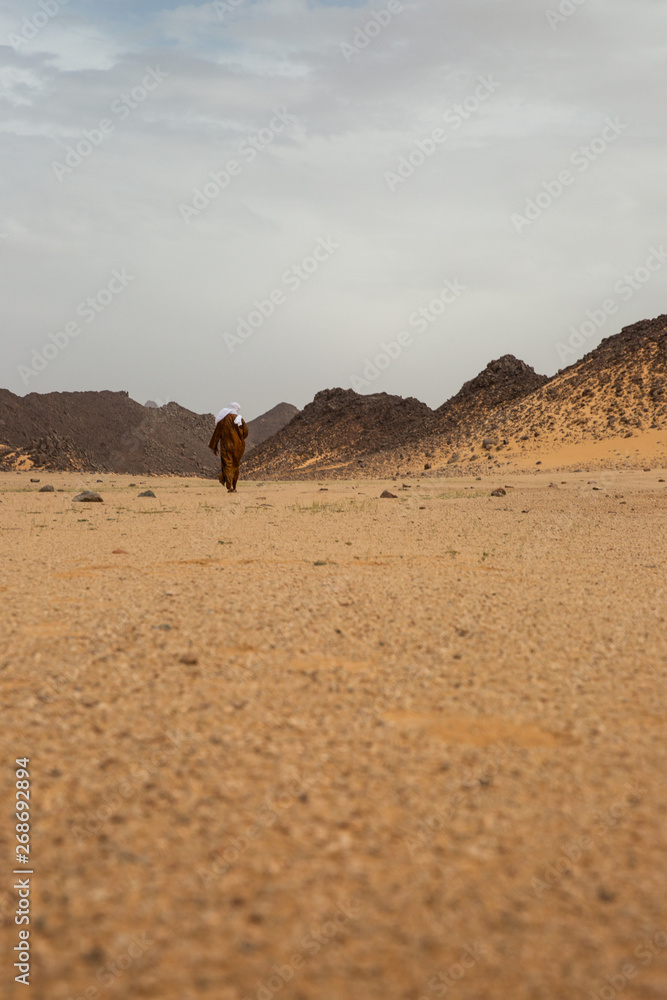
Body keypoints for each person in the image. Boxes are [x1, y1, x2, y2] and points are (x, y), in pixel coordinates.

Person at [208, 402, 249, 492]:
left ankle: (230, 486)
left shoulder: (223, 420)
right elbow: (245, 433)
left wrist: (214, 446)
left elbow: (217, 433)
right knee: (235, 465)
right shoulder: (239, 419)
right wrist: (239, 439)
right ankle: (234, 486)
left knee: (227, 465)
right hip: (238, 447)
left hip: (226, 446)